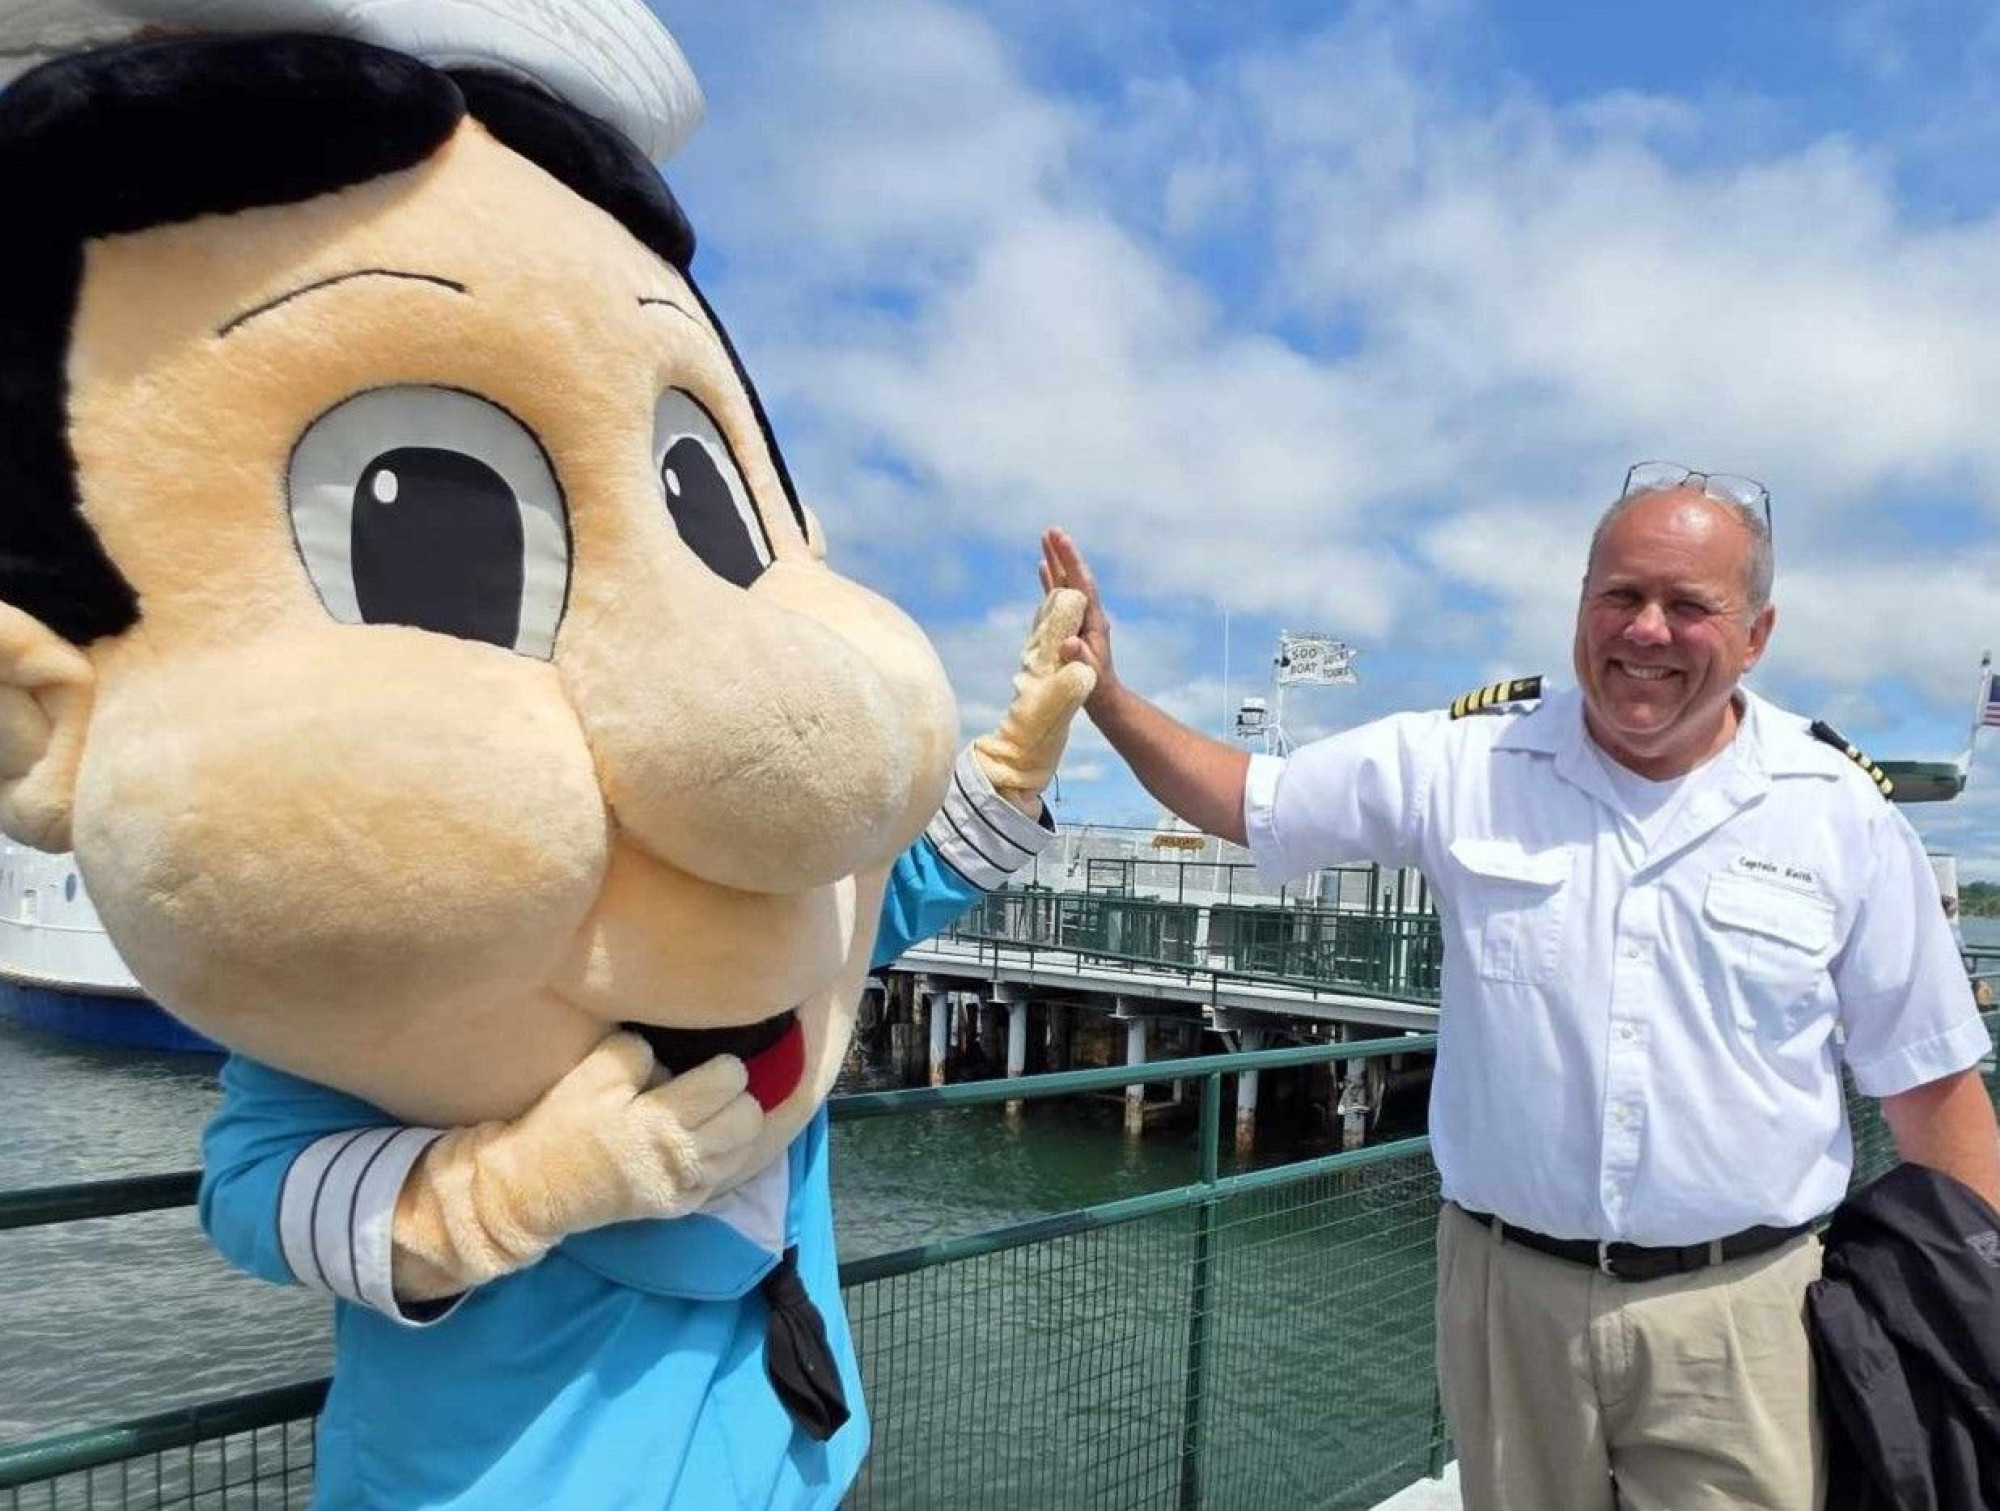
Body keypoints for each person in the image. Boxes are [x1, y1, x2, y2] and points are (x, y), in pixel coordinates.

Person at [1041, 466, 2000, 1511]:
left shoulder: (1836, 813)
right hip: (1508, 1300)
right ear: (1577, 602)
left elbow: (1932, 1093)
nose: (1645, 629)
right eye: (1618, 594)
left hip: (1739, 1315)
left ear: (1756, 633)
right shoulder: (1466, 759)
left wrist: (1970, 1334)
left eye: (1689, 605)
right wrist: (1107, 694)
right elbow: (1248, 801)